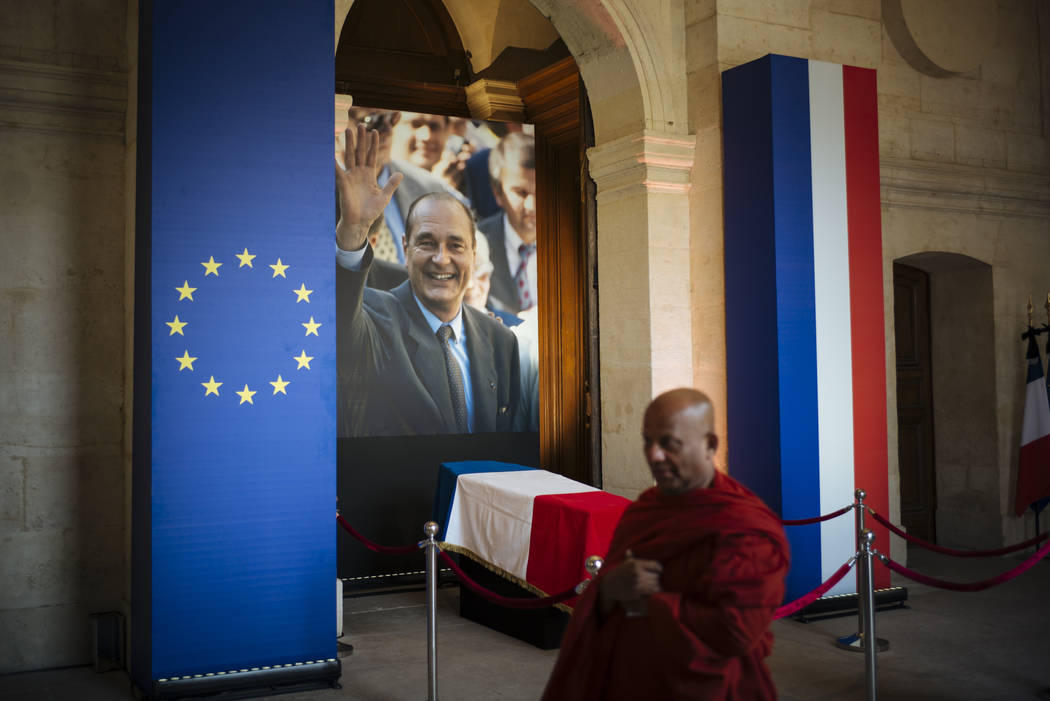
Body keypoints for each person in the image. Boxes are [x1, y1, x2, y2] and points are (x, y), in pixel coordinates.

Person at [541, 389, 790, 700]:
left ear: (710, 445)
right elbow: (609, 594)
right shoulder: (647, 508)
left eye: (670, 443)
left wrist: (648, 599)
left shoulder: (743, 527)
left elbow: (735, 633)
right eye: (648, 441)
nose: (654, 455)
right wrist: (608, 589)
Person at [334, 122, 522, 437]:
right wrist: (354, 231)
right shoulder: (375, 317)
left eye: (455, 245)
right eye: (427, 243)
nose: (441, 258)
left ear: (474, 255)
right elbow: (342, 322)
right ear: (405, 249)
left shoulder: (500, 341)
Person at [339, 106, 463, 265]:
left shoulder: (429, 188)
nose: (388, 129)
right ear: (337, 125)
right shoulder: (312, 192)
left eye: (392, 118)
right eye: (373, 121)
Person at [477, 131, 537, 314]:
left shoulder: (571, 243)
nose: (532, 206)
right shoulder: (474, 243)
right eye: (521, 193)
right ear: (498, 193)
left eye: (543, 191)